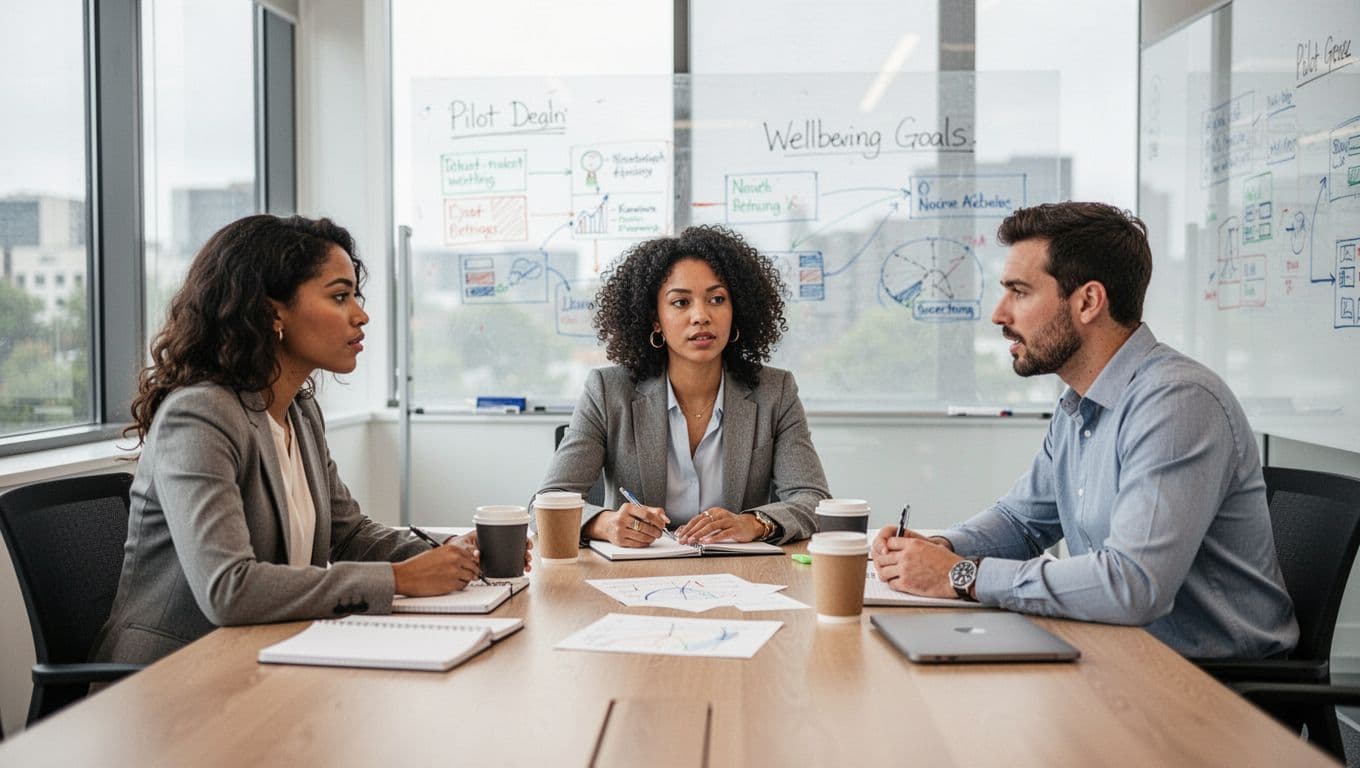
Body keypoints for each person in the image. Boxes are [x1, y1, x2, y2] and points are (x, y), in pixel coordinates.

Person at [92, 215, 527, 666]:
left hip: (267, 655)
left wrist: (456, 551)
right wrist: (398, 579)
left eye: (355, 296)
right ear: (271, 311)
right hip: (173, 677)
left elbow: (350, 533)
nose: (361, 314)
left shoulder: (298, 412)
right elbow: (228, 588)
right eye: (340, 297)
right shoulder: (199, 415)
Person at [872, 202, 1298, 659]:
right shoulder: (1079, 403)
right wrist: (939, 549)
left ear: (1088, 301)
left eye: (1019, 292)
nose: (999, 315)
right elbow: (1022, 521)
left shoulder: (1177, 403)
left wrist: (963, 576)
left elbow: (1134, 585)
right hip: (1116, 654)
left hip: (1209, 687)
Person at [538, 225, 830, 548]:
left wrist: (753, 523)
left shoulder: (776, 392)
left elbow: (814, 501)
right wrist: (606, 524)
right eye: (680, 303)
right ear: (654, 319)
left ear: (737, 311)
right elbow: (546, 503)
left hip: (743, 578)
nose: (701, 316)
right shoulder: (607, 391)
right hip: (636, 580)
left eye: (717, 299)